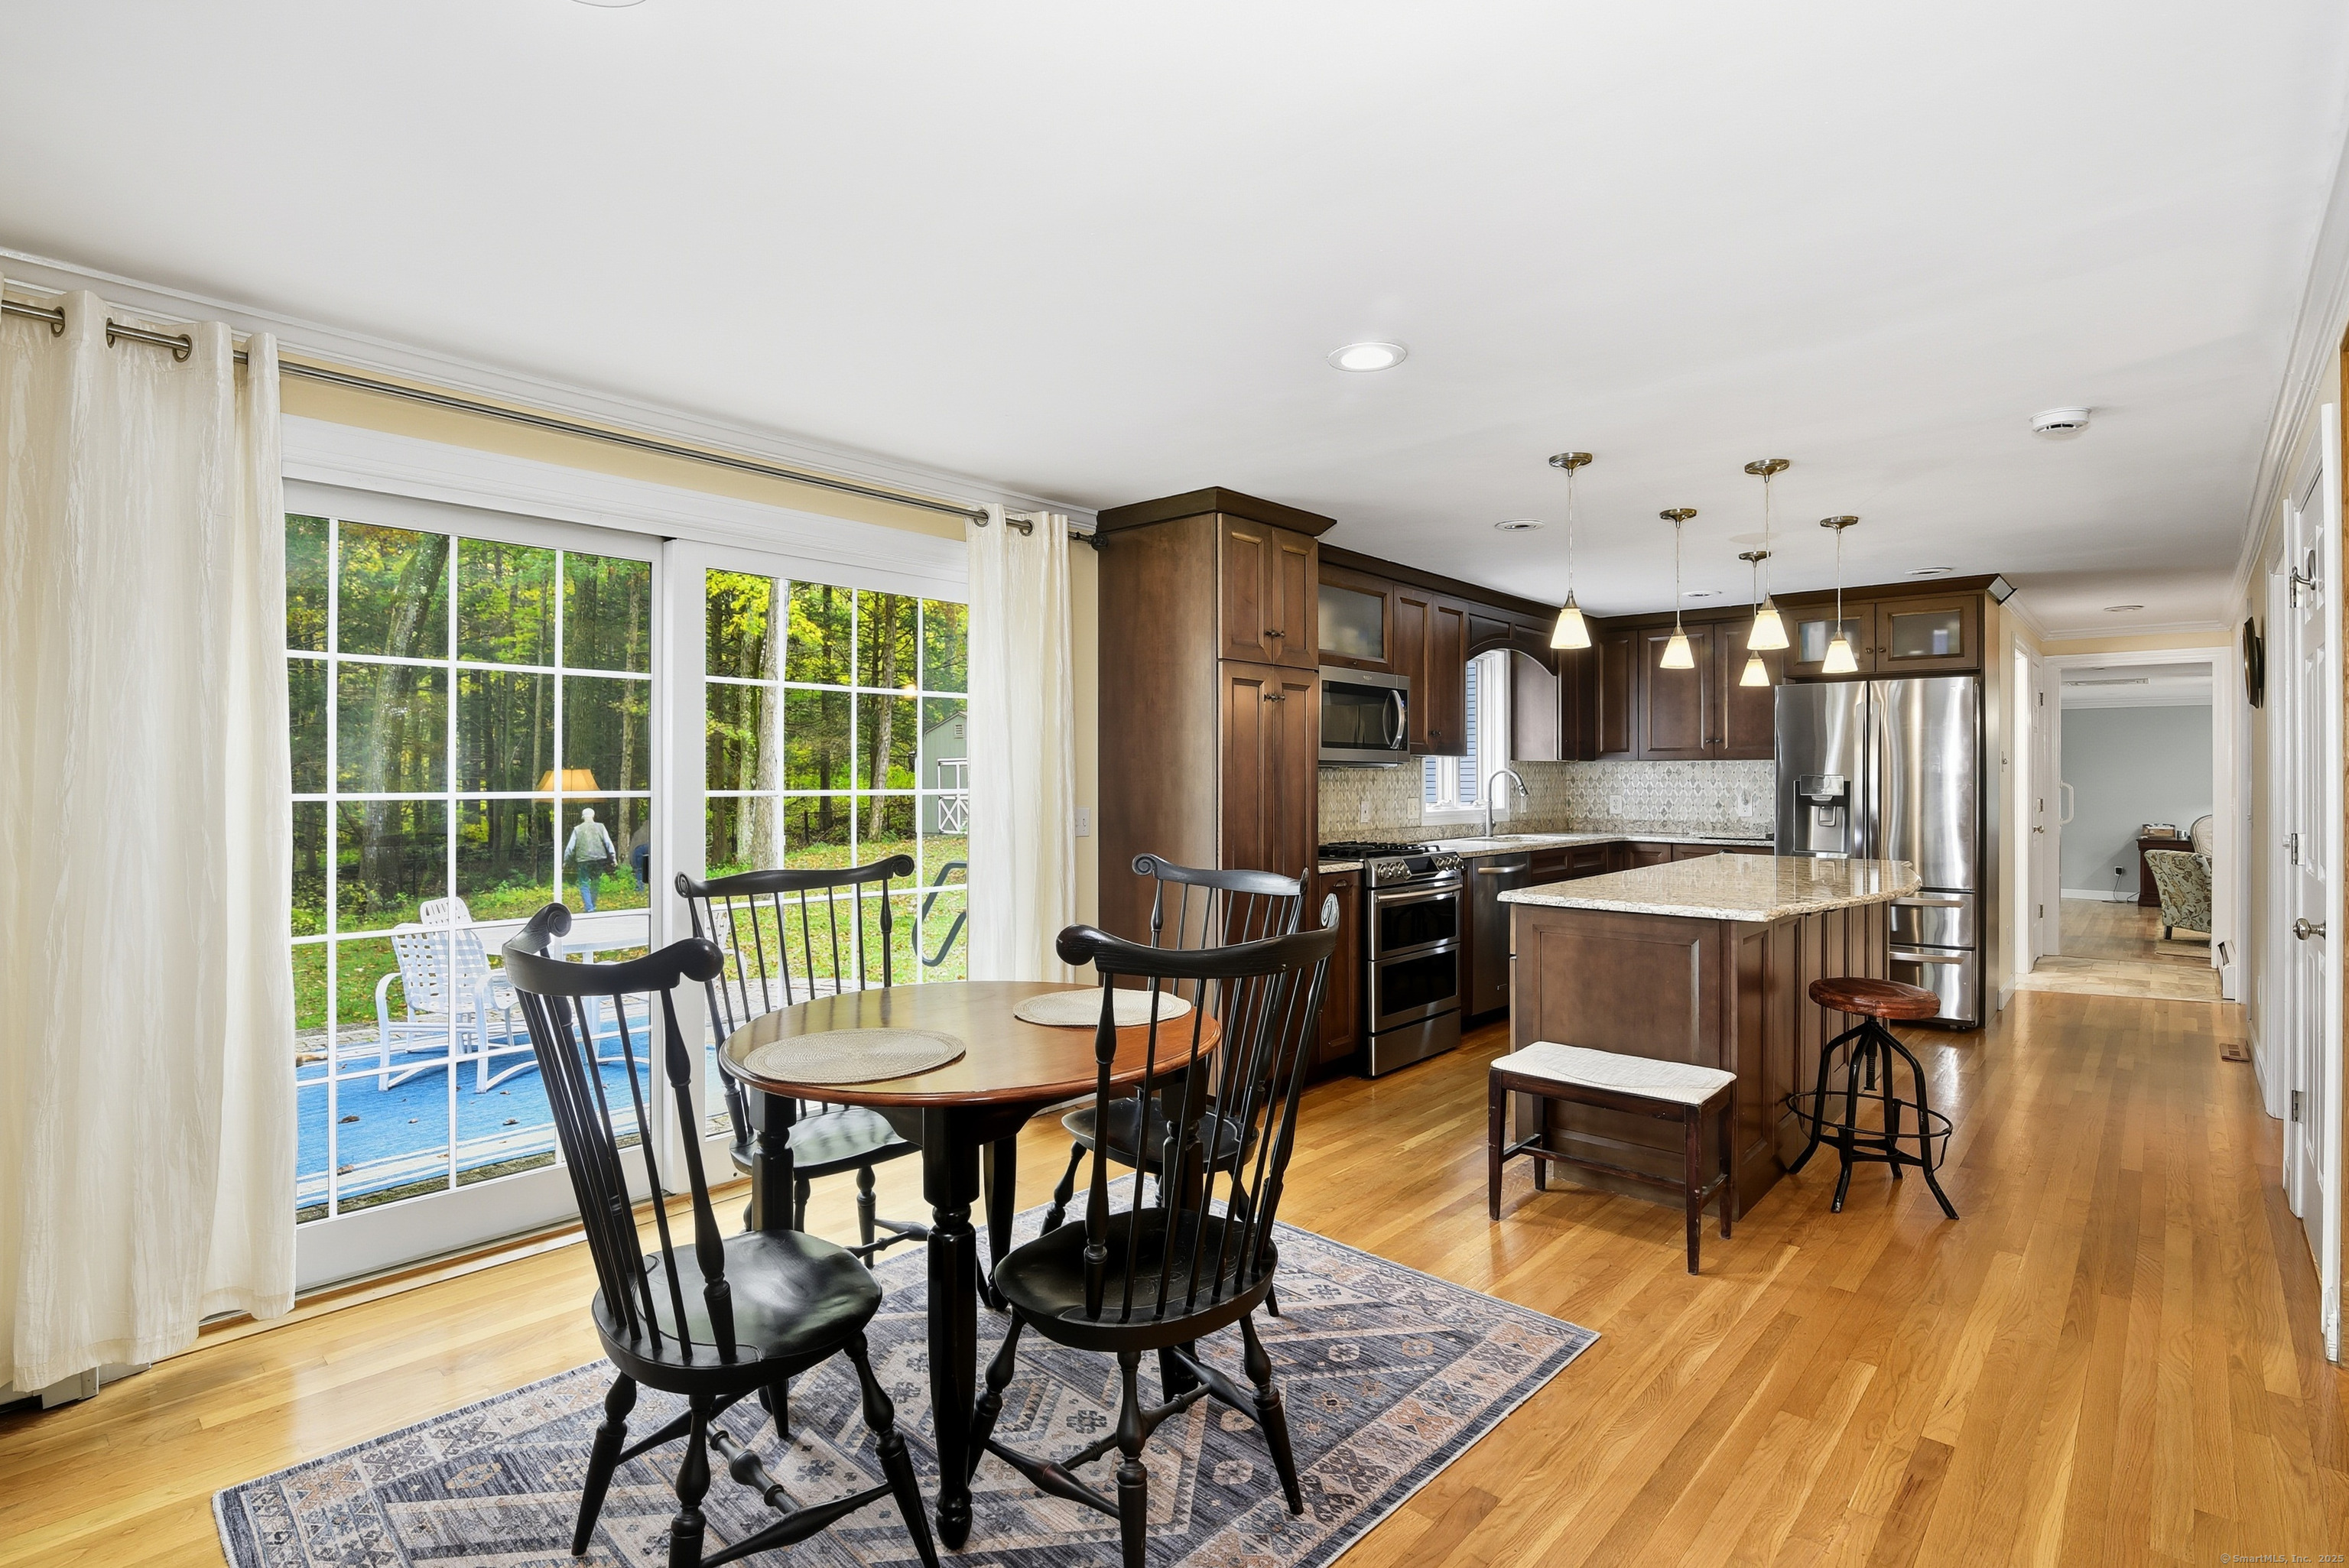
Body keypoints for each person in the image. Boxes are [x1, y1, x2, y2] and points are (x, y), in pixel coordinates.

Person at [565, 807, 616, 913]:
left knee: (584, 883)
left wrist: (565, 861)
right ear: (593, 816)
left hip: (583, 860)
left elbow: (570, 847)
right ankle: (593, 905)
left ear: (583, 817)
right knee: (595, 882)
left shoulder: (577, 829)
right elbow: (608, 842)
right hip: (598, 859)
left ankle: (589, 907)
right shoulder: (601, 827)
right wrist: (613, 857)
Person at [628, 819, 651, 891]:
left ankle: (640, 887)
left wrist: (631, 859)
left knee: (639, 870)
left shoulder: (638, 833)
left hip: (638, 851)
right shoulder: (652, 832)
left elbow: (633, 846)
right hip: (648, 850)